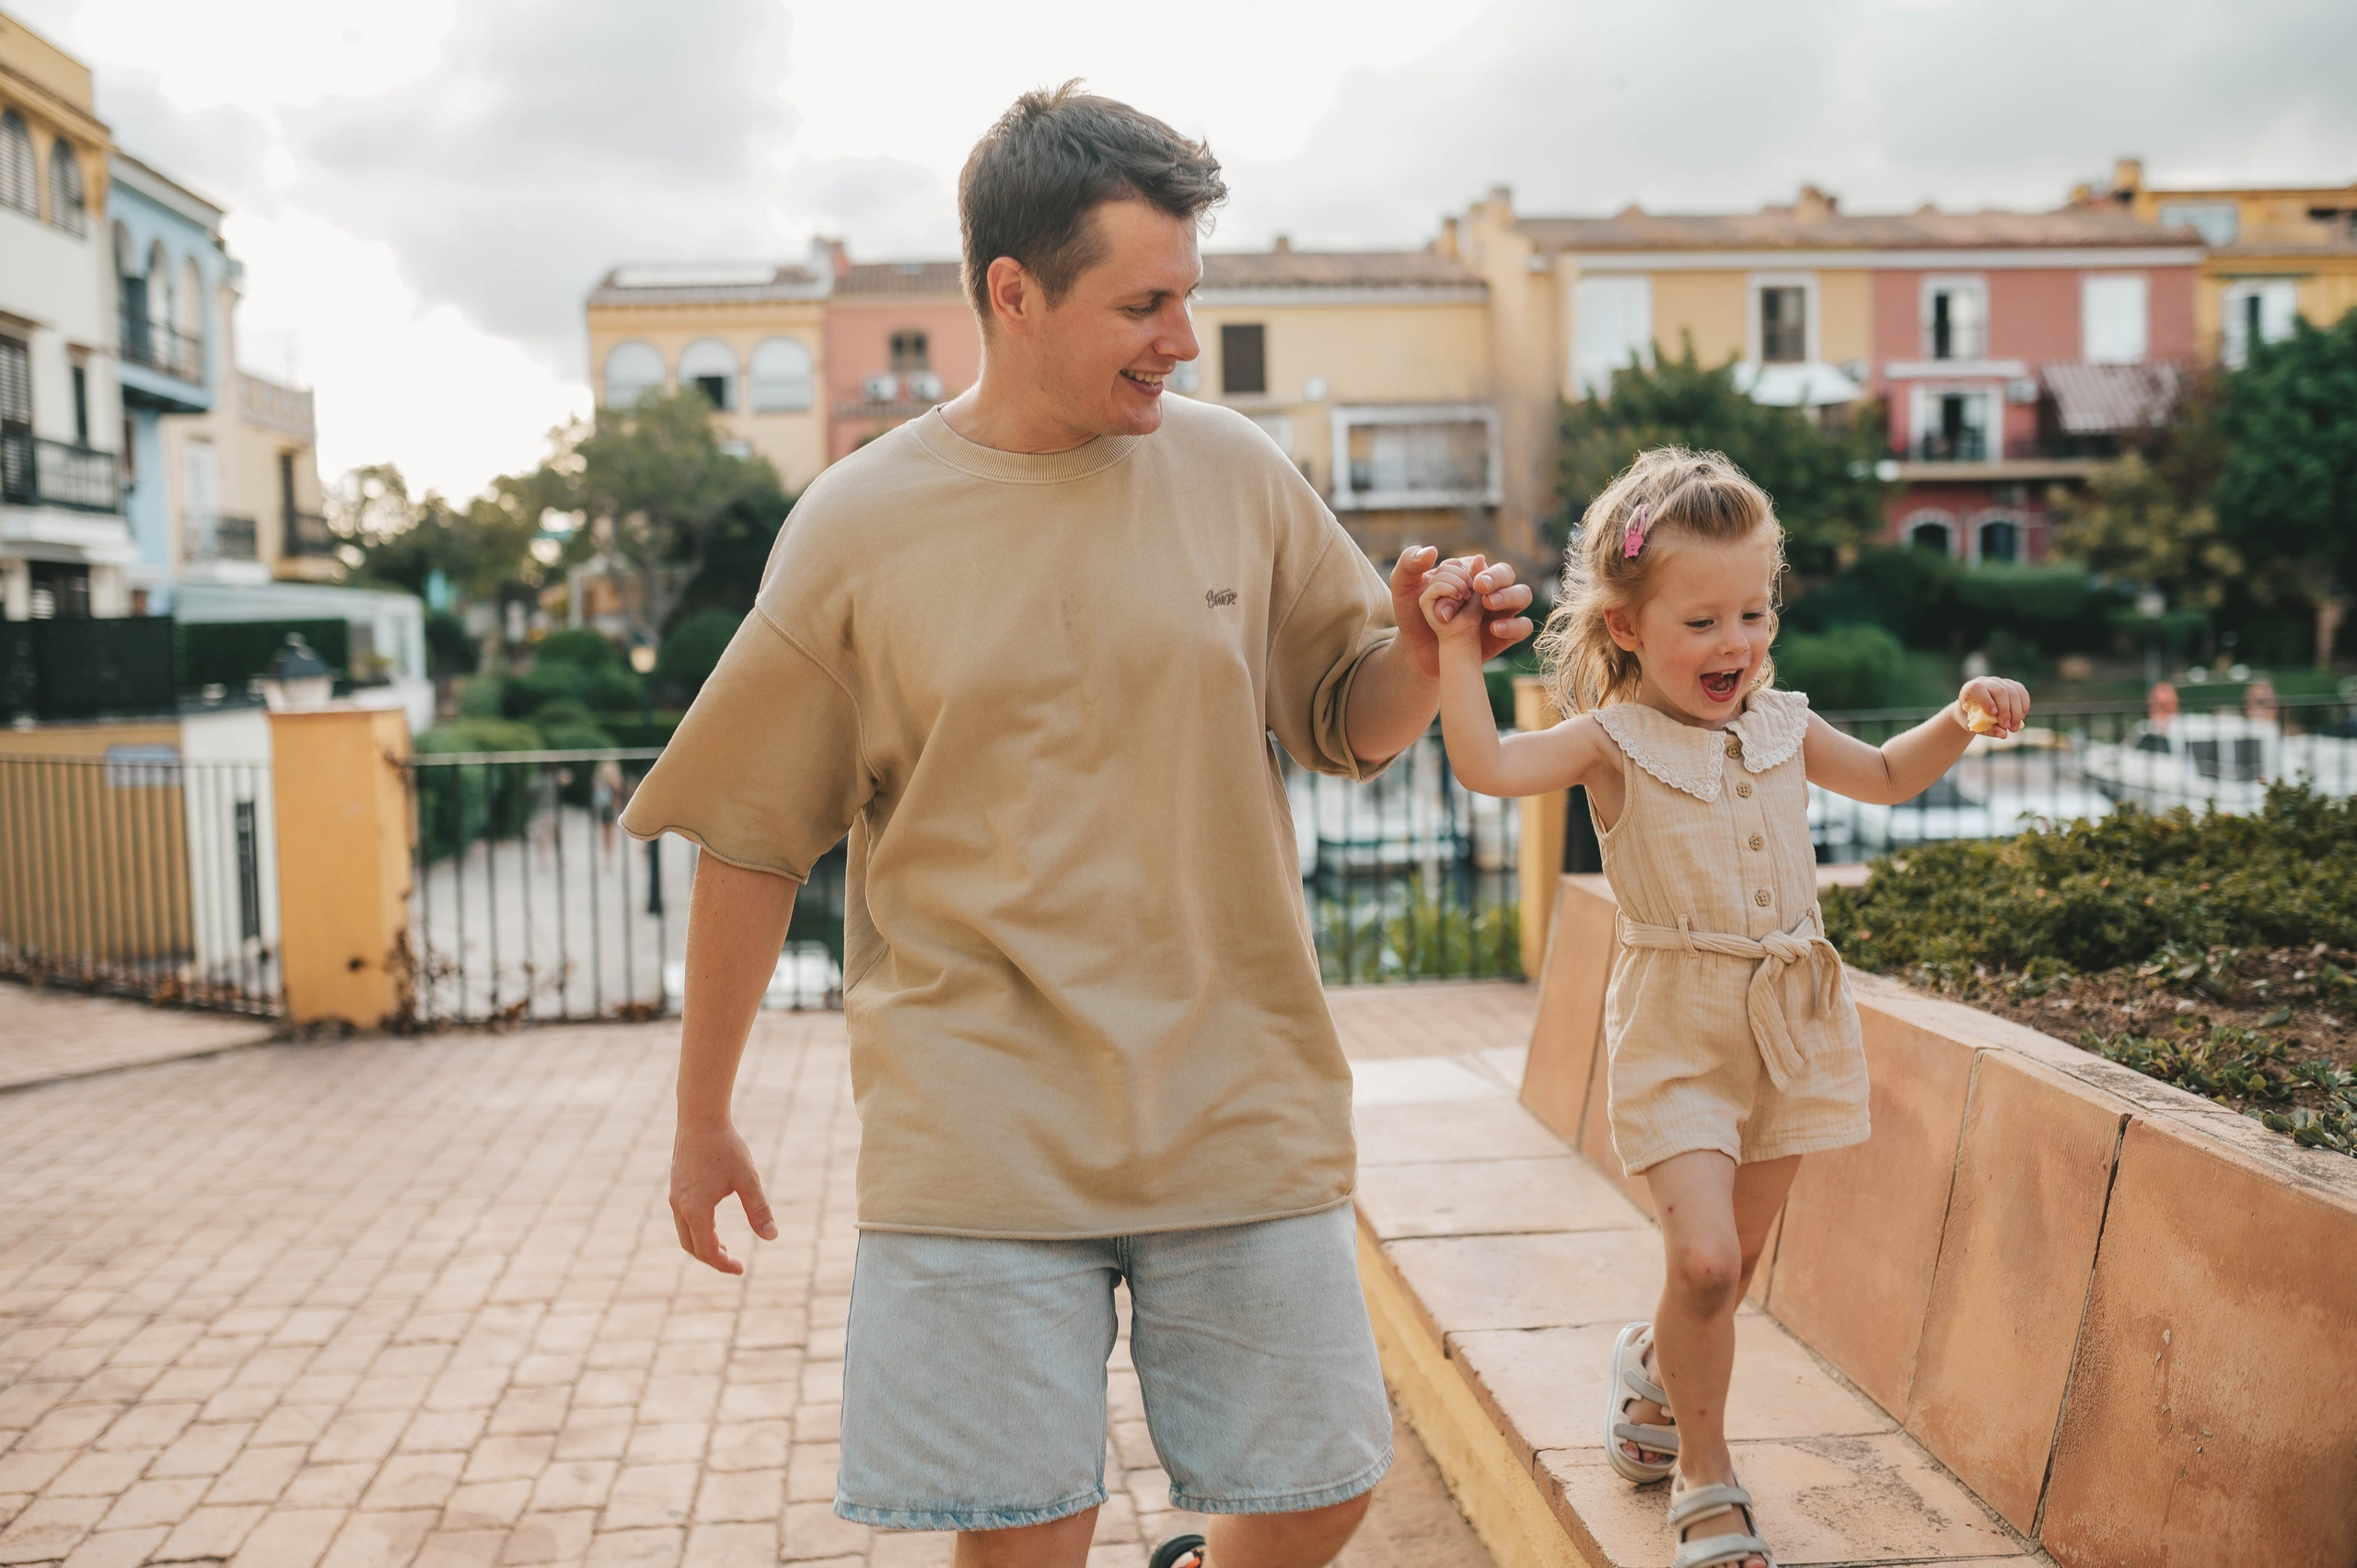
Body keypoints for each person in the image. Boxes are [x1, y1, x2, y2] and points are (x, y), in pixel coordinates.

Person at [621, 85, 1534, 1568]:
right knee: (1021, 1536)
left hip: (1233, 1088)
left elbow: (1343, 716)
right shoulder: (858, 524)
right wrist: (702, 1113)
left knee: (1318, 1488)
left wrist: (1424, 658)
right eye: (1146, 301)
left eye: (1190, 296)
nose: (1183, 337)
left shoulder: (1234, 470)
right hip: (977, 1117)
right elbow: (751, 834)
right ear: (1013, 293)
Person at [1414, 447, 2027, 1568]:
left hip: (1788, 1025)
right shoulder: (1610, 739)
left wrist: (1963, 715)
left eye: (1754, 611)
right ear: (1628, 627)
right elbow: (1489, 765)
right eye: (1701, 620)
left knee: (1730, 1269)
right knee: (1701, 1262)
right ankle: (1705, 1471)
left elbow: (1888, 774)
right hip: (1675, 1026)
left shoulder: (1785, 724)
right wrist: (1457, 650)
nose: (1736, 643)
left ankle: (1648, 1371)